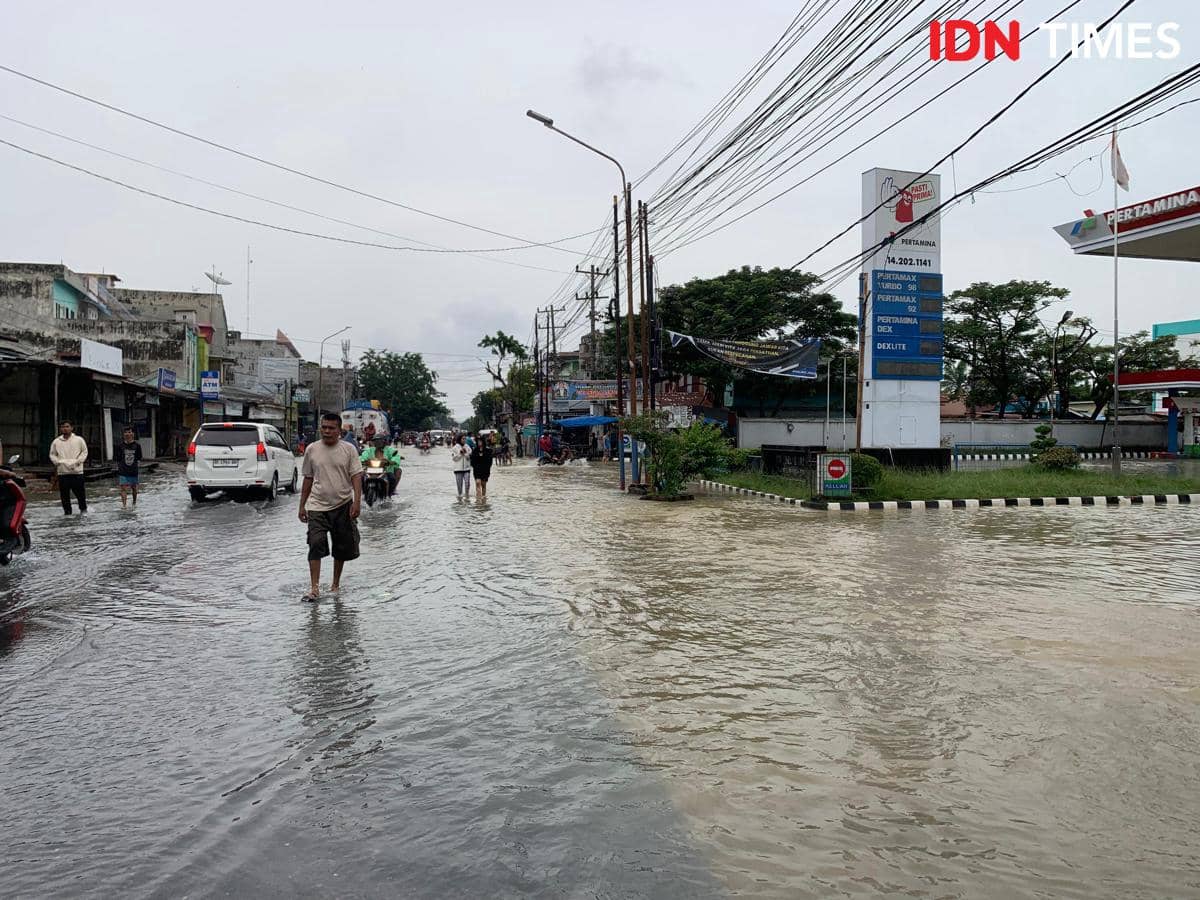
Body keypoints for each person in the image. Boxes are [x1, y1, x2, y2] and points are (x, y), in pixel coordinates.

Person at [299, 413, 363, 602]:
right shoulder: (312, 449)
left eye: (331, 428)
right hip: (317, 505)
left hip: (343, 504)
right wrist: (302, 506)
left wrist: (357, 501)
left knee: (341, 547)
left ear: (339, 430)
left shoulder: (349, 450)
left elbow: (356, 476)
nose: (327, 431)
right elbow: (308, 478)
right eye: (324, 427)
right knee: (315, 543)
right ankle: (315, 588)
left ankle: (335, 584)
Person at [50, 420, 88, 515]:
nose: (65, 429)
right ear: (60, 429)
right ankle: (67, 513)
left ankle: (83, 511)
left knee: (80, 495)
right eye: (63, 427)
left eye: (67, 426)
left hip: (77, 472)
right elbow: (52, 454)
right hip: (63, 473)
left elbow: (84, 452)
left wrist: (78, 462)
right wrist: (57, 462)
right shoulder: (56, 441)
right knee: (64, 496)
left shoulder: (79, 440)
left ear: (72, 428)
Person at [116, 427, 143, 508]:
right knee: (123, 488)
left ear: (133, 434)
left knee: (134, 488)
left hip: (133, 470)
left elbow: (139, 457)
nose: (128, 434)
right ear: (123, 435)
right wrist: (119, 467)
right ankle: (124, 505)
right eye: (126, 432)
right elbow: (117, 458)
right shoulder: (120, 446)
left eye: (130, 432)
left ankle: (134, 502)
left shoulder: (137, 446)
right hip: (123, 470)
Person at [470, 431, 494, 500]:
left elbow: (490, 461)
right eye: (478, 441)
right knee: (477, 483)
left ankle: (483, 499)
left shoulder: (488, 451)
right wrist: (474, 466)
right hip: (477, 470)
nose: (479, 443)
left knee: (483, 485)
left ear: (483, 442)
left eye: (480, 441)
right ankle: (478, 498)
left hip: (485, 470)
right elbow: (472, 460)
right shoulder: (475, 450)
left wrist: (488, 468)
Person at [450, 433, 472, 499]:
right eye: (463, 439)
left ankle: (467, 497)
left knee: (467, 483)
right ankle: (460, 499)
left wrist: (465, 453)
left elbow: (469, 457)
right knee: (459, 486)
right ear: (459, 439)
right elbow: (454, 459)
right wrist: (460, 453)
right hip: (458, 469)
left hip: (467, 469)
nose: (464, 440)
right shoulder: (455, 448)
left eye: (465, 439)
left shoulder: (467, 446)